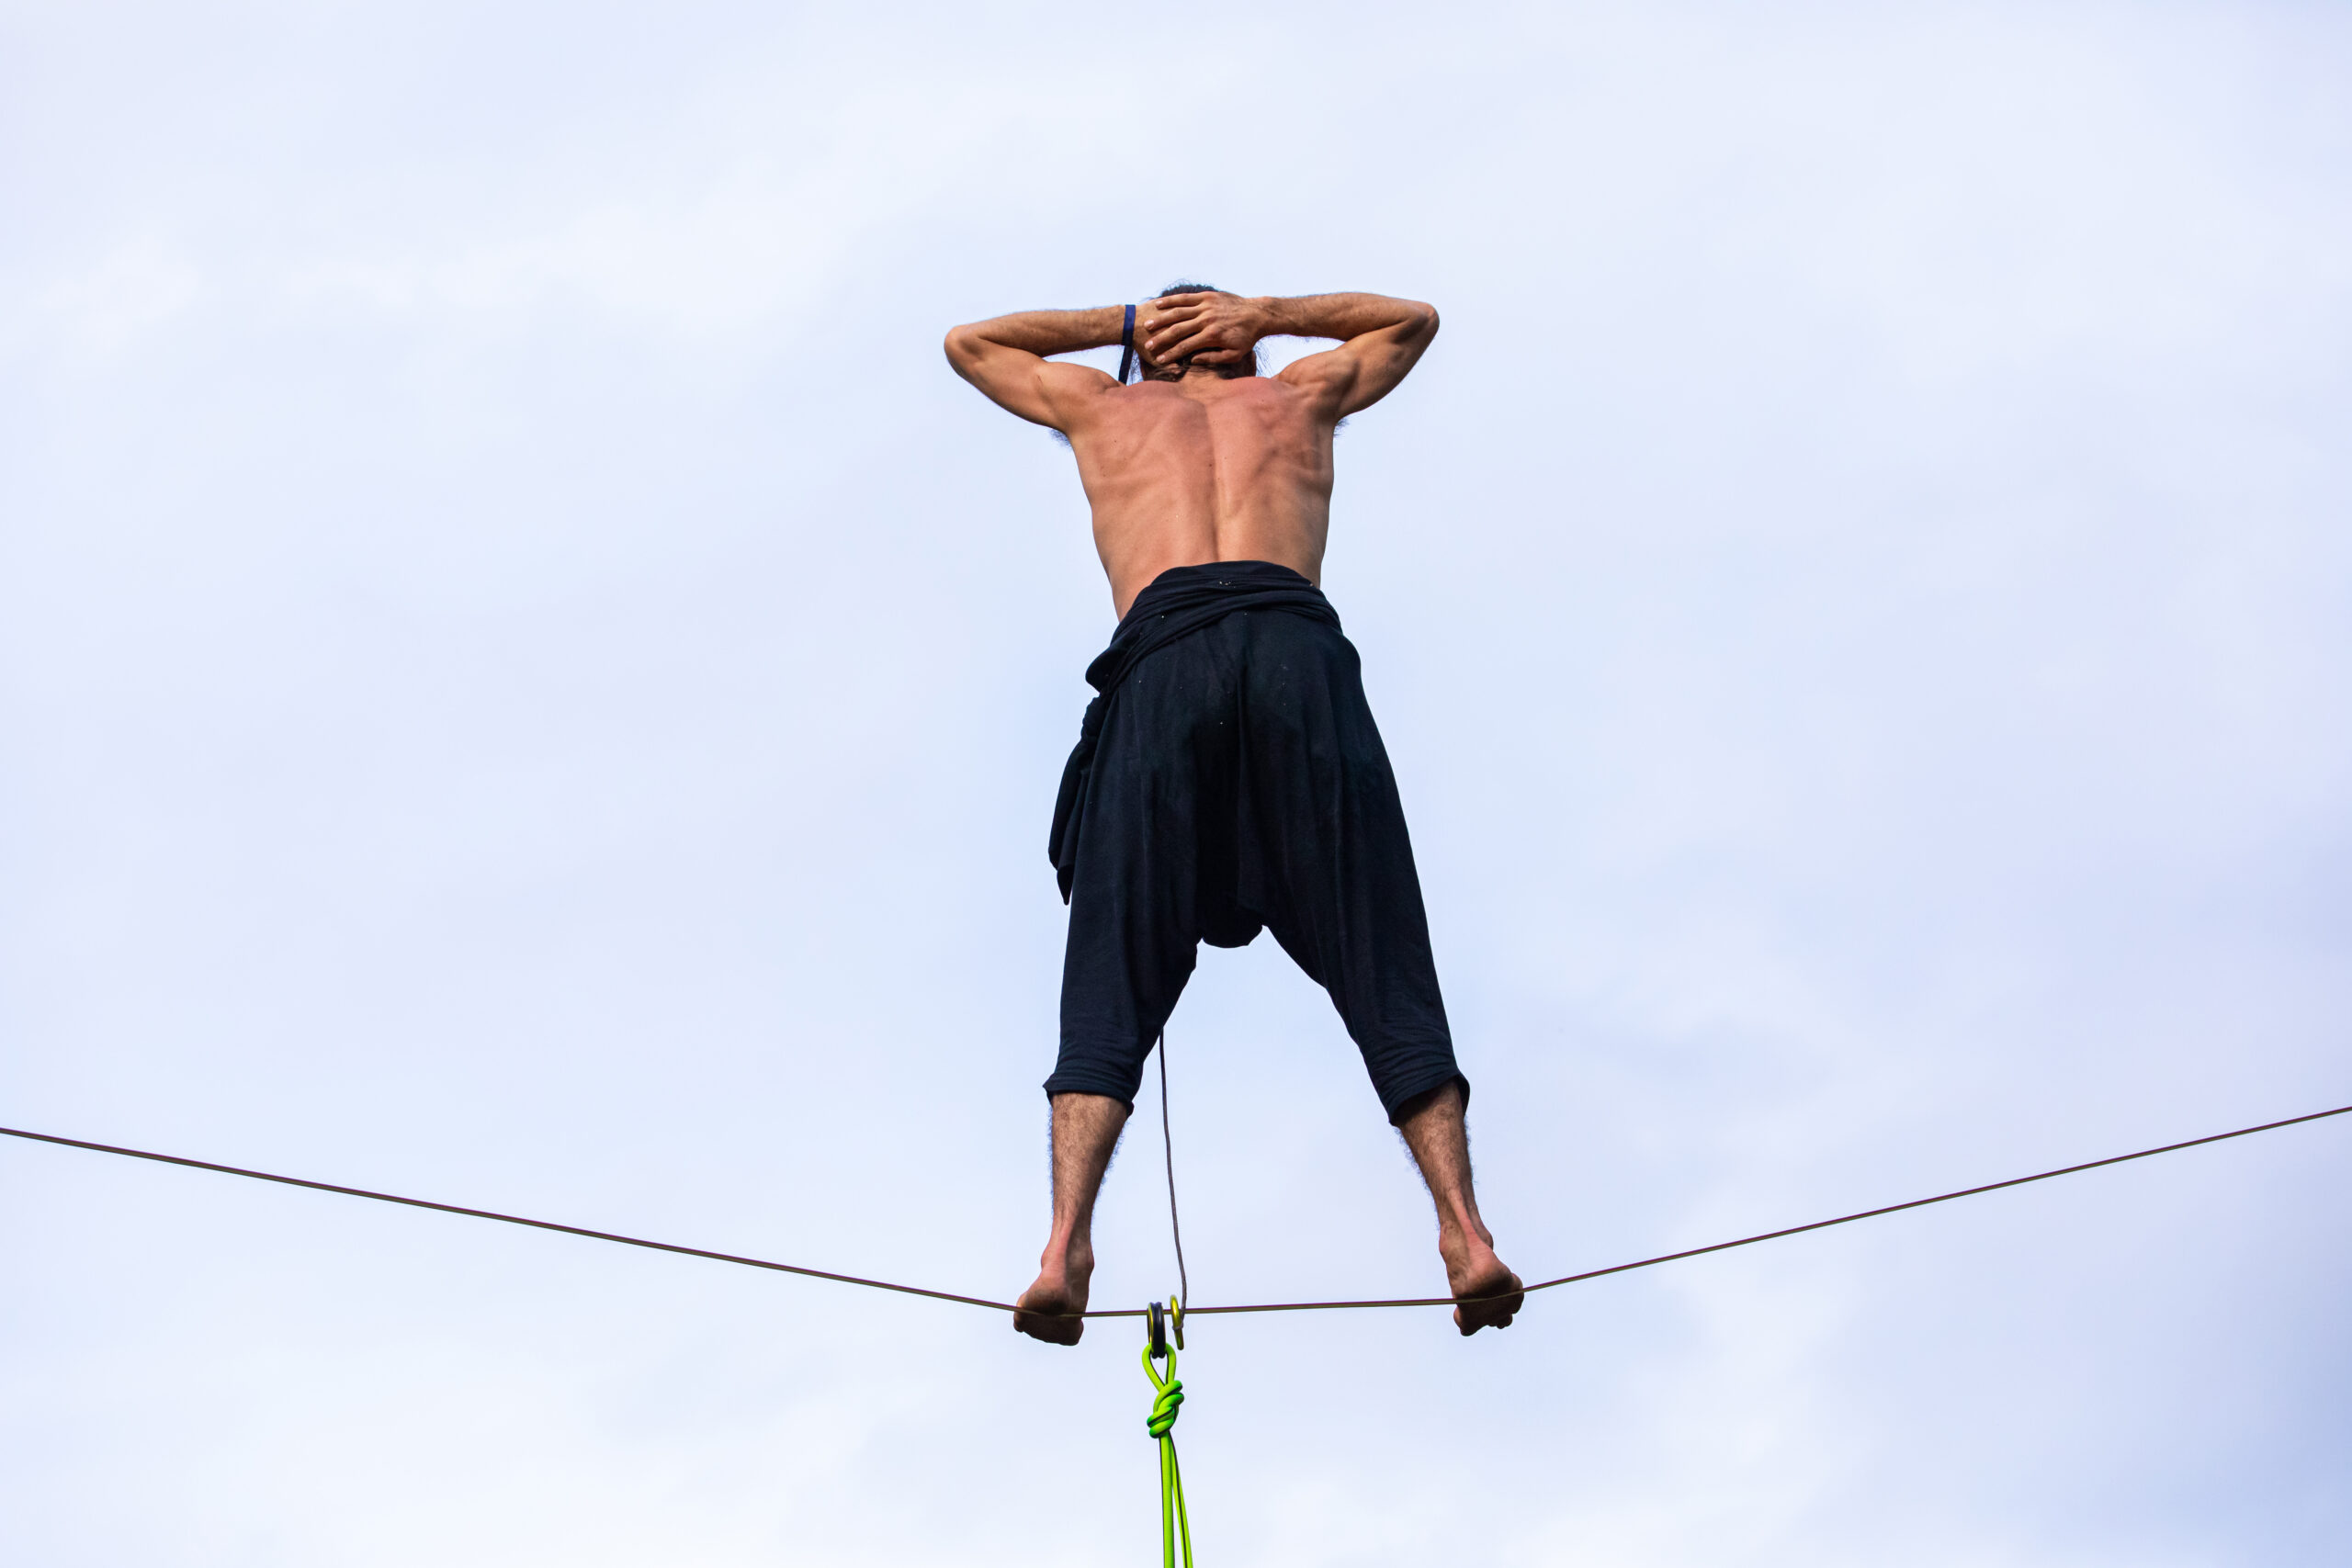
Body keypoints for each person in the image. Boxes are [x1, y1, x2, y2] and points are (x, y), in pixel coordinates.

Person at [944, 285, 1522, 1343]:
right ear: (1230, 351)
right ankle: (1465, 1233)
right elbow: (1413, 321)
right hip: (1296, 655)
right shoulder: (1298, 393)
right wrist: (1265, 314)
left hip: (1164, 665)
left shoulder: (1105, 406)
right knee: (1379, 944)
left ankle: (1064, 1244)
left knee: (1111, 965)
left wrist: (1123, 328)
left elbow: (969, 343)